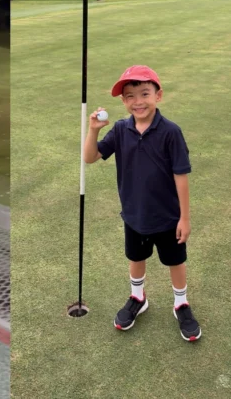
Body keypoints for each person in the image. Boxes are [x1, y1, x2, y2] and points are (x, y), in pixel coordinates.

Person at [83, 65, 201, 342]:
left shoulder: (171, 132)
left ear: (158, 95)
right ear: (123, 101)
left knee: (175, 261)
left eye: (144, 93)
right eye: (130, 96)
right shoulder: (121, 129)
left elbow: (180, 175)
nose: (138, 101)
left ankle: (181, 303)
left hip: (168, 216)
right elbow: (90, 157)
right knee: (136, 259)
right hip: (134, 214)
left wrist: (185, 218)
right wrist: (93, 130)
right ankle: (138, 297)